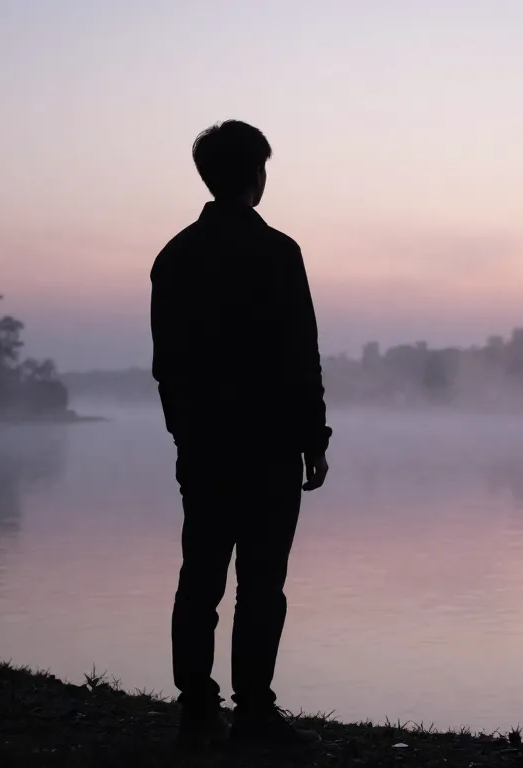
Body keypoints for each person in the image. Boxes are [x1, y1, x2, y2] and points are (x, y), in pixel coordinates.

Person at [150, 120, 332, 750]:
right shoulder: (278, 252)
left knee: (199, 577)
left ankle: (196, 707)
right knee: (262, 582)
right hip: (270, 445)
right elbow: (298, 353)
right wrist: (315, 437)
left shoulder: (174, 256)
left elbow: (167, 366)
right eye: (262, 168)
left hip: (204, 447)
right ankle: (254, 711)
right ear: (253, 175)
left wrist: (184, 436)